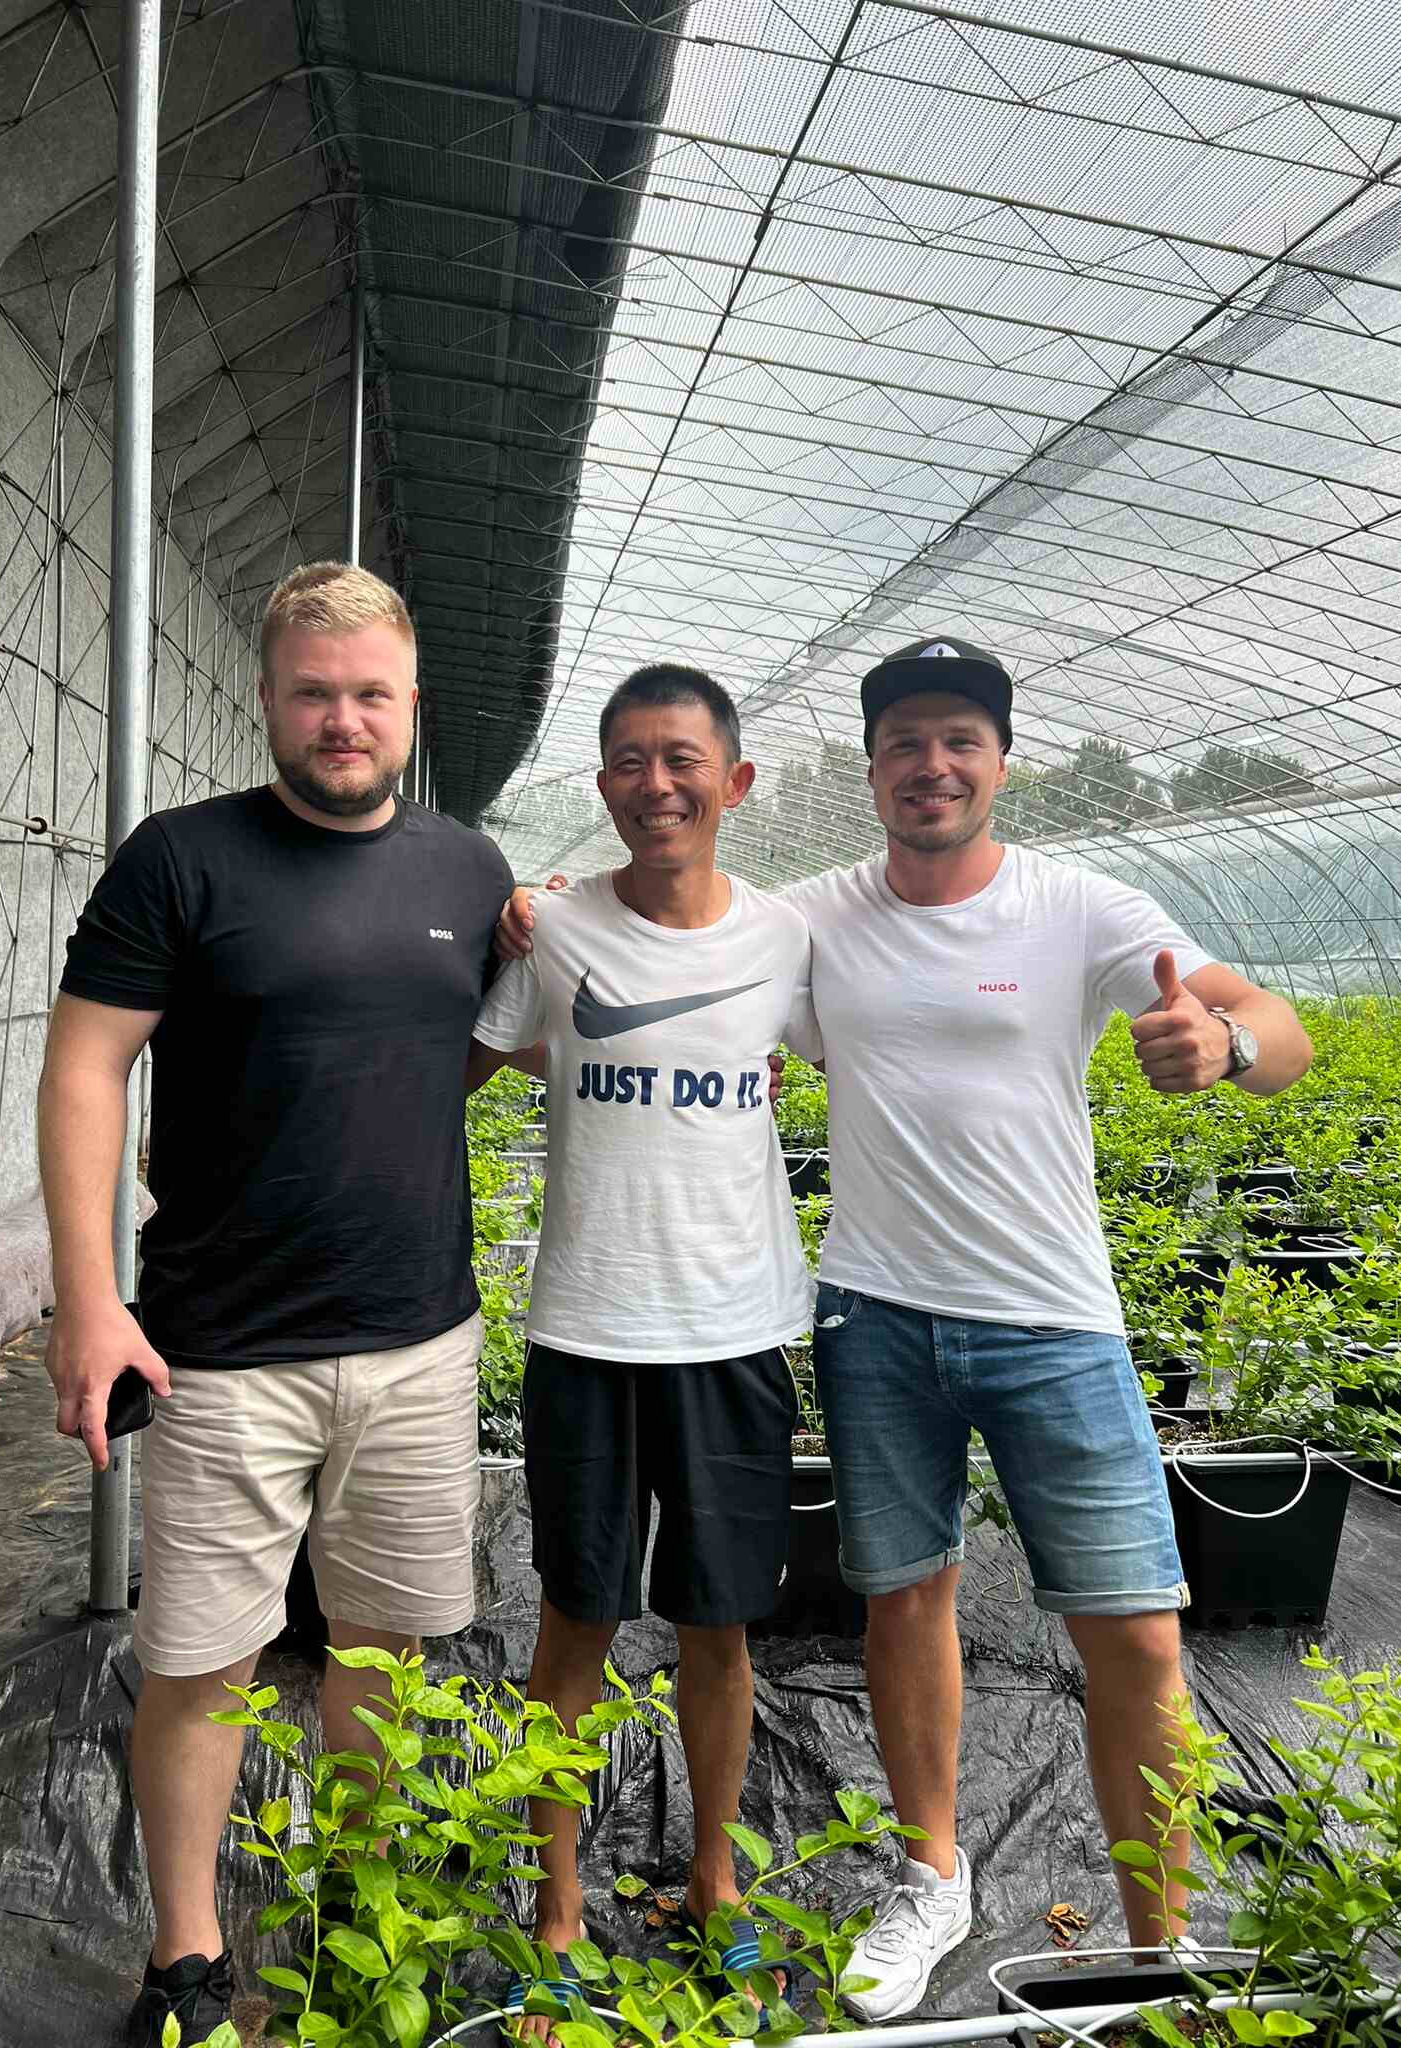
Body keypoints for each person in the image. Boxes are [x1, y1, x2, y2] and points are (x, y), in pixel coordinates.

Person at [500, 634, 1313, 2020]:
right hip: (871, 1314)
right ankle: (931, 1878)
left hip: (1056, 1317)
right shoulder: (810, 916)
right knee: (904, 1605)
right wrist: (531, 900)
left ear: (1001, 761)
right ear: (868, 767)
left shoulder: (1080, 908)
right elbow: (655, 962)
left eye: (959, 741)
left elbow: (1272, 1023)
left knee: (1139, 1636)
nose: (930, 766)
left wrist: (1225, 1049)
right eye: (903, 743)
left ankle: (1153, 1952)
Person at [38, 562, 518, 2047]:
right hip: (222, 1350)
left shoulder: (469, 871)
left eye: (370, 693)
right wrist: (88, 1297)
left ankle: (360, 1905)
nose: (342, 719)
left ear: (410, 704)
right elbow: (84, 1068)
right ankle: (187, 1955)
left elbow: (469, 1050)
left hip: (420, 1340)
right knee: (200, 1662)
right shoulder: (180, 861)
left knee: (386, 1648)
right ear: (268, 697)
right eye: (314, 692)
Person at [467, 662, 814, 2028]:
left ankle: (715, 1884)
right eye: (626, 762)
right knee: (576, 1618)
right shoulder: (553, 934)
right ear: (601, 785)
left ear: (733, 784)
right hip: (587, 1331)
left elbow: (888, 1057)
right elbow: (461, 1065)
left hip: (735, 1333)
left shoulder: (790, 939)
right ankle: (558, 1905)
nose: (654, 785)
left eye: (681, 761)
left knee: (719, 1629)